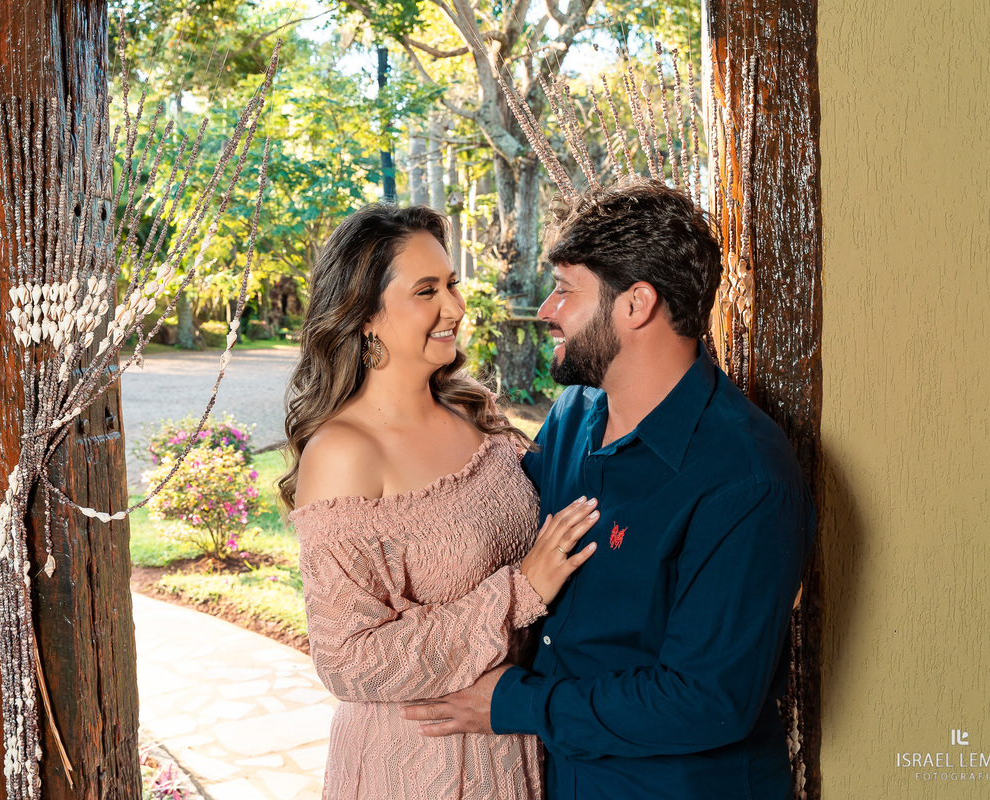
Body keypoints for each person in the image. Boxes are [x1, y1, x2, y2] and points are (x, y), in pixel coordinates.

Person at [402, 180, 816, 800]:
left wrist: (515, 702)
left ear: (636, 305)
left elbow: (705, 701)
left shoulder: (746, 477)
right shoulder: (572, 413)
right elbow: (503, 540)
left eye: (567, 290)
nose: (546, 309)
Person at [280, 203, 599, 799]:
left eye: (451, 284)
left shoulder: (471, 410)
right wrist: (519, 591)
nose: (454, 307)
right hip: (418, 765)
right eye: (426, 290)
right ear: (365, 313)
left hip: (515, 745)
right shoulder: (345, 453)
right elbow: (348, 661)